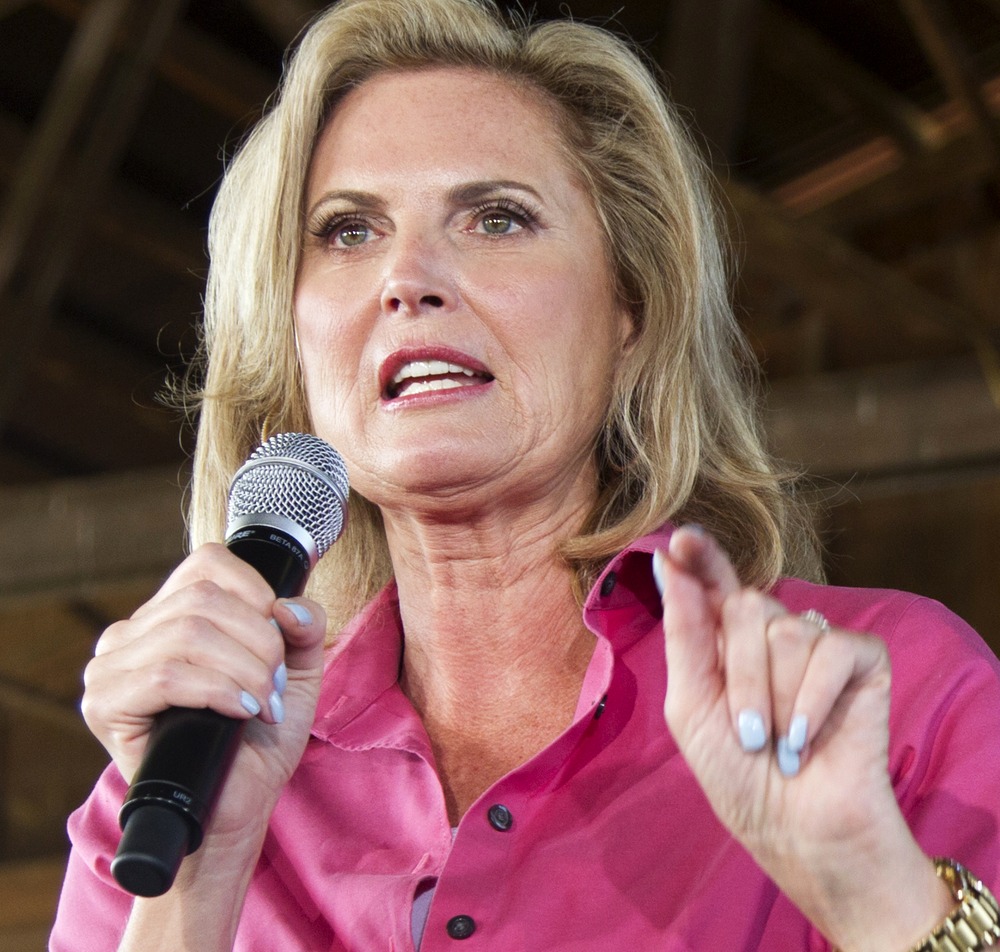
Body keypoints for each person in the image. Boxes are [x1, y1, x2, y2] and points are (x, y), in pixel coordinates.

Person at [50, 0, 1000, 949]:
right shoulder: (160, 793)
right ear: (292, 337)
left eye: (496, 218)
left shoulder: (891, 696)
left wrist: (871, 887)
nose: (407, 277)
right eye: (346, 231)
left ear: (631, 309)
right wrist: (202, 869)